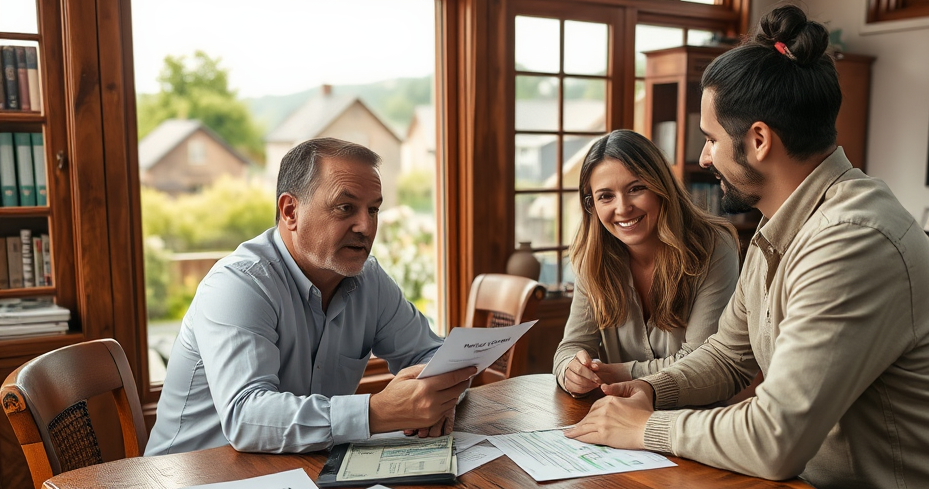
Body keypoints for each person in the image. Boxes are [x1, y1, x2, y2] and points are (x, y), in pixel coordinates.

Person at [565, 3, 929, 489]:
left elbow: (774, 437)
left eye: (710, 137)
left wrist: (645, 428)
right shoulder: (779, 227)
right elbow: (728, 356)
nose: (704, 157)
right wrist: (646, 389)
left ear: (758, 140)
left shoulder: (852, 239)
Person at [147, 137, 475, 456]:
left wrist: (439, 399)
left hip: (298, 473)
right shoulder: (238, 284)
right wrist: (376, 412)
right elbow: (246, 417)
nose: (365, 226)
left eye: (373, 210)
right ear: (290, 211)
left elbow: (432, 354)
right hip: (187, 487)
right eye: (345, 207)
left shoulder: (368, 279)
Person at [553, 129, 739, 397]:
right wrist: (571, 371)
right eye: (606, 196)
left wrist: (617, 372)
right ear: (591, 205)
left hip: (693, 419)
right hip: (620, 415)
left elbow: (700, 364)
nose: (623, 208)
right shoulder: (591, 257)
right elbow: (571, 346)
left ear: (661, 187)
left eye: (636, 189)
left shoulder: (714, 247)